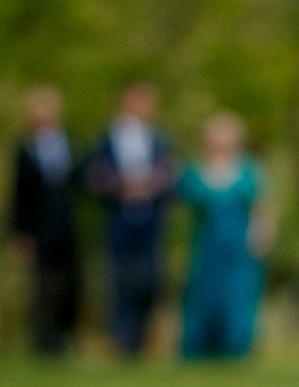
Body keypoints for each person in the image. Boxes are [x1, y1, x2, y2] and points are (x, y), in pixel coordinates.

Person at [177, 113, 276, 359]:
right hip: (206, 244)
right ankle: (199, 350)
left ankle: (235, 349)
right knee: (203, 295)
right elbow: (180, 205)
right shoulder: (194, 169)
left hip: (240, 245)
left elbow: (264, 205)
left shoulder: (250, 169)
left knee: (237, 297)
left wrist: (263, 233)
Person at [87, 82, 174, 356]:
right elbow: (93, 176)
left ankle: (144, 335)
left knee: (149, 278)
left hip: (151, 221)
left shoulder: (160, 140)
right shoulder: (106, 140)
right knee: (120, 277)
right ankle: (123, 340)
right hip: (118, 219)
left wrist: (149, 186)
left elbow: (171, 176)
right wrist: (121, 186)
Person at [10, 87, 83, 356]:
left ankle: (65, 337)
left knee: (72, 283)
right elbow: (18, 195)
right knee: (42, 286)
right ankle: (43, 341)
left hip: (66, 225)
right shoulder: (25, 148)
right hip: (38, 228)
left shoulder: (69, 143)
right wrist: (20, 233)